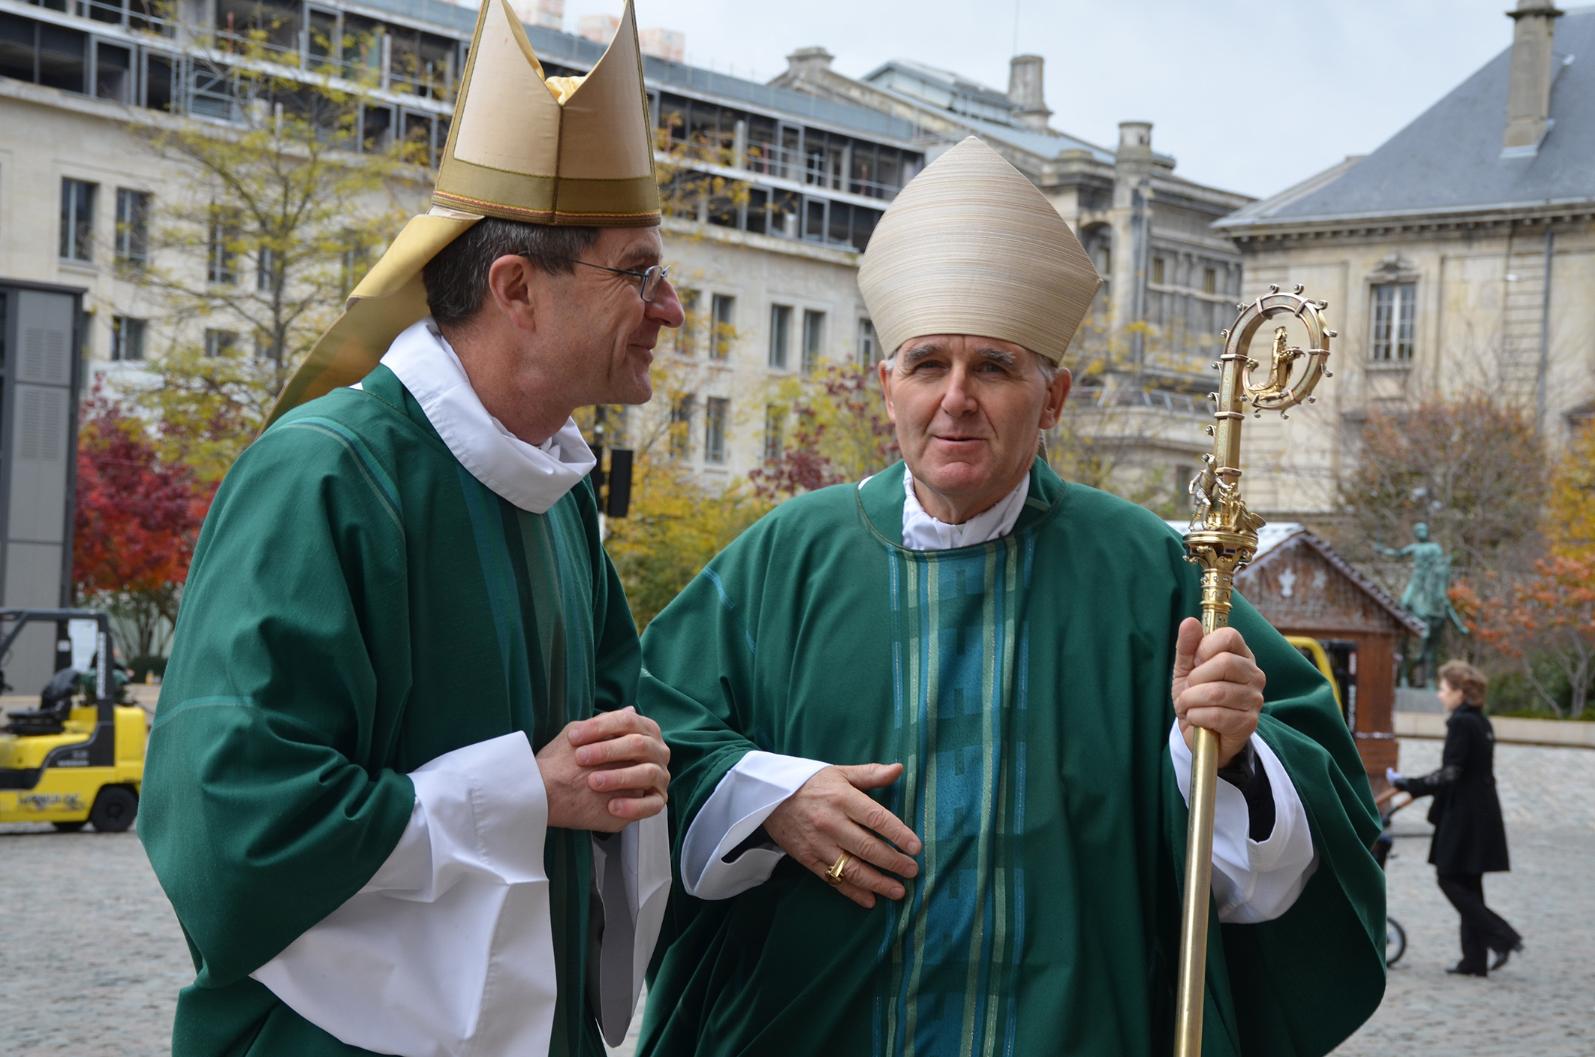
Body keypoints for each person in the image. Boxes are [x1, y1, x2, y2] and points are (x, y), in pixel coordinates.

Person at [635, 137, 1386, 1057]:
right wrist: (768, 798)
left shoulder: (1149, 571)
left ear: (1054, 396)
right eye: (926, 366)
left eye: (991, 367)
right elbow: (652, 737)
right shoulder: (786, 558)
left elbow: (1312, 795)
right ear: (886, 390)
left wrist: (1229, 756)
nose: (954, 399)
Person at [137, 2, 679, 1054]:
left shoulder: (559, 492)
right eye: (641, 273)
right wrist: (521, 793)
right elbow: (231, 824)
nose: (668, 310)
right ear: (517, 288)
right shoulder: (326, 474)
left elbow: (609, 741)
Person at [1388, 660, 1522, 977]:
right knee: (1468, 882)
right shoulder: (1481, 721)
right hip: (1481, 811)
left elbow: (1451, 774)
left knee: (1448, 877)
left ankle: (1502, 936)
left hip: (1465, 814)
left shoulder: (1462, 723)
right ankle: (1473, 960)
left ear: (1460, 692)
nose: (1439, 695)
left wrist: (1410, 784)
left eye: (1444, 689)